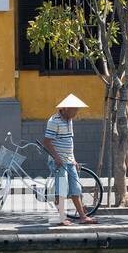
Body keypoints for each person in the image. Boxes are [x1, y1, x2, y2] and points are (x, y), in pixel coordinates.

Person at [42, 94, 97, 226]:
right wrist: (57, 157)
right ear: (66, 108)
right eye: (74, 109)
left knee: (75, 188)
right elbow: (47, 142)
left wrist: (74, 159)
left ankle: (83, 217)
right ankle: (62, 218)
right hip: (58, 161)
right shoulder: (54, 121)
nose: (76, 112)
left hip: (69, 160)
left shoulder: (69, 120)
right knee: (62, 188)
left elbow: (69, 142)